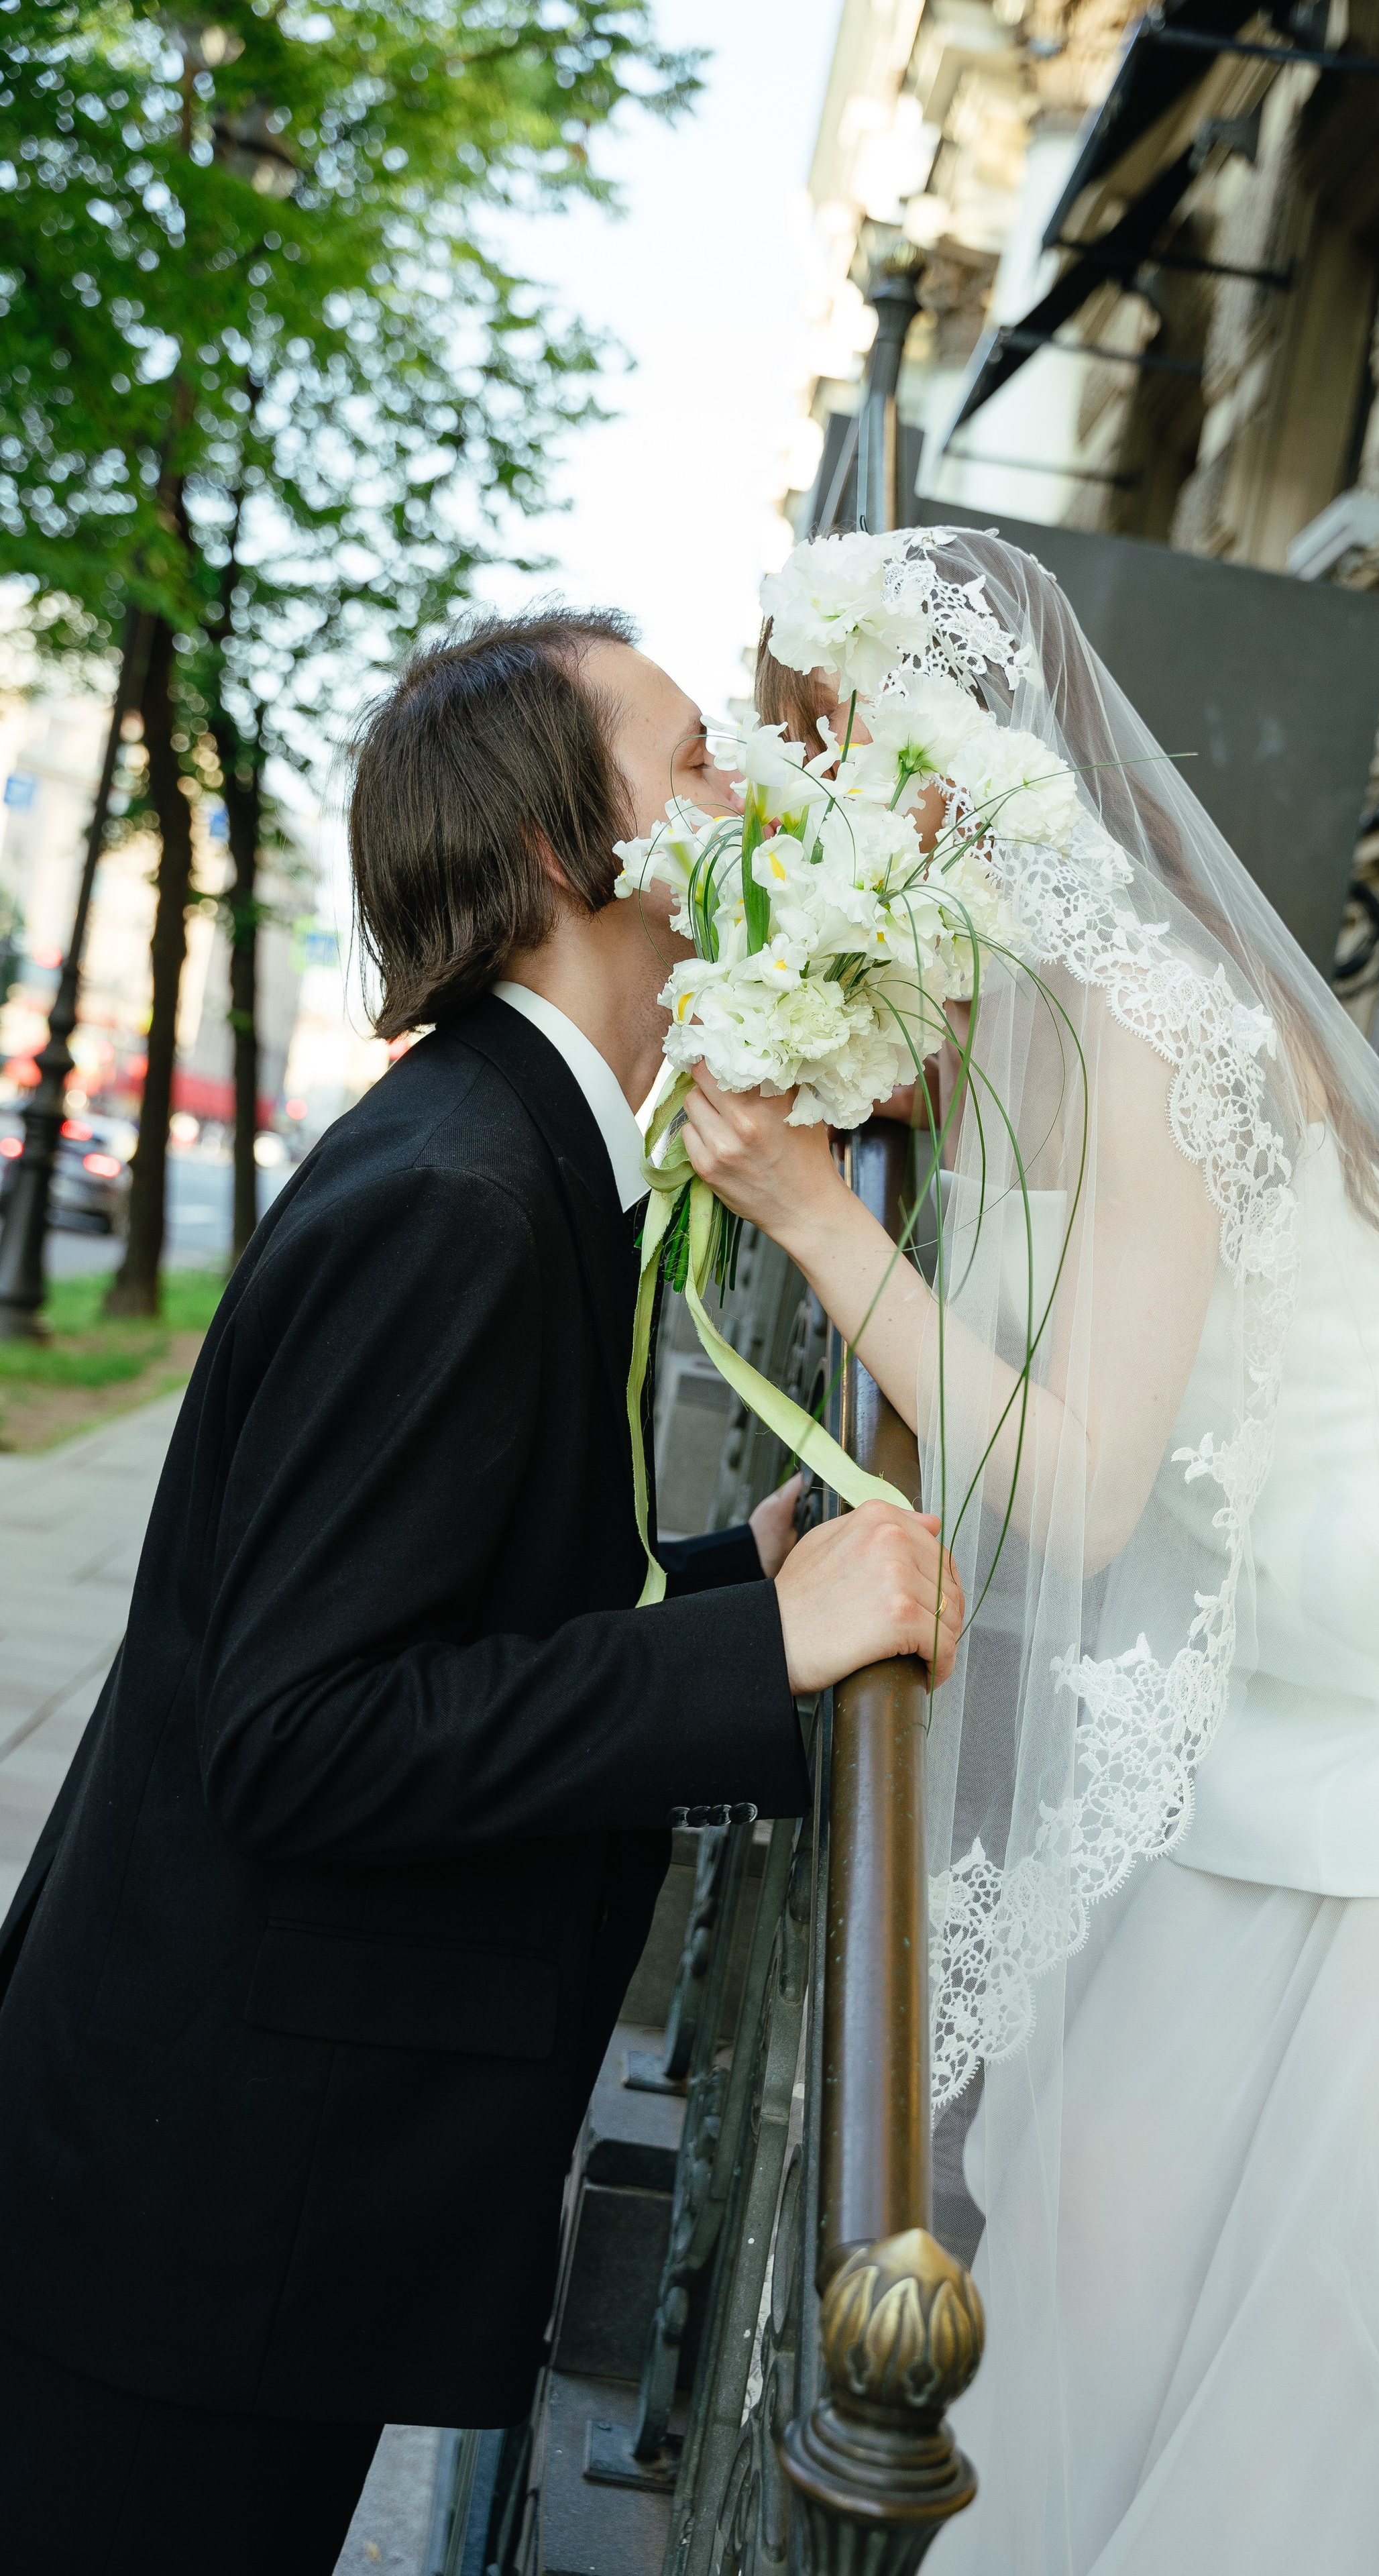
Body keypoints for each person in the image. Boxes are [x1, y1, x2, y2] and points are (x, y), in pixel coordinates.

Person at [681, 527, 1379, 2574]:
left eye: (813, 768)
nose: (781, 819)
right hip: (1322, 1672)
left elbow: (1080, 1490)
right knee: (1100, 2201)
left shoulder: (1136, 1020)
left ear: (942, 769)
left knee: (1363, 2298)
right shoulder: (973, 998)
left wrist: (819, 1218)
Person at [0, 606, 963, 2576]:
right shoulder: (462, 1194)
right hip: (200, 2215)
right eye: (696, 758)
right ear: (559, 850)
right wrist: (758, 1653)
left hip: (247, 2191)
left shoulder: (519, 1148)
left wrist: (720, 1583)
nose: (742, 793)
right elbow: (299, 1737)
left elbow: (439, 1597)